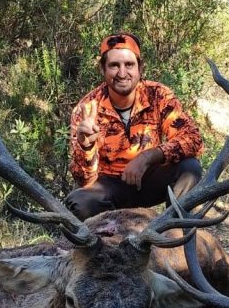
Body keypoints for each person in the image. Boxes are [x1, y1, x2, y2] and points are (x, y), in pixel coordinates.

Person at [65, 32, 203, 220]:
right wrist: (86, 147)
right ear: (102, 69)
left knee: (189, 168)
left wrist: (148, 157)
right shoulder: (86, 109)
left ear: (140, 67)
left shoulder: (159, 96)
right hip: (109, 189)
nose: (122, 73)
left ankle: (176, 229)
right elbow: (84, 181)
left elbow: (193, 139)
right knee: (79, 203)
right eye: (114, 65)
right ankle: (104, 236)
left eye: (129, 65)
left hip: (149, 179)